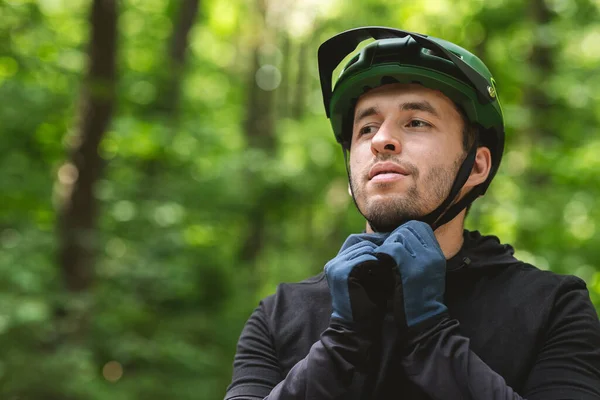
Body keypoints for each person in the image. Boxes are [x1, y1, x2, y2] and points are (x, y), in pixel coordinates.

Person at [224, 27, 600, 400]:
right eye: (366, 127)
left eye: (416, 122)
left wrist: (431, 332)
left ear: (476, 167)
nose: (380, 140)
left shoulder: (552, 306)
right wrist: (341, 346)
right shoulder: (280, 313)